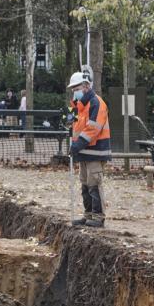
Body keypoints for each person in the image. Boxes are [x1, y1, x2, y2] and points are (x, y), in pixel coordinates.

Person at [67, 70, 112, 227]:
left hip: (96, 151)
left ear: (86, 86)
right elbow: (74, 124)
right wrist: (67, 118)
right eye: (73, 90)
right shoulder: (79, 106)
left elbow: (93, 128)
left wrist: (77, 145)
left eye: (77, 89)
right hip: (84, 152)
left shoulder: (96, 103)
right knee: (85, 184)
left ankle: (98, 217)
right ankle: (88, 215)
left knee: (94, 183)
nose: (75, 92)